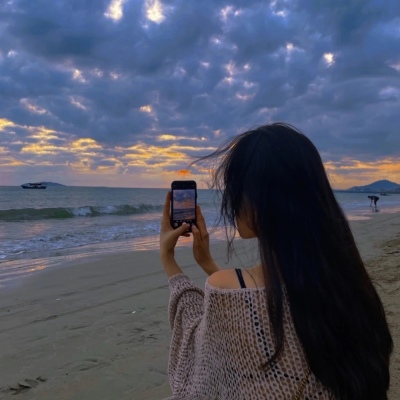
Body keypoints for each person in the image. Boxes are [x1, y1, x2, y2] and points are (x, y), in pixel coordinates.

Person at [159, 122, 393, 399]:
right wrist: (207, 262)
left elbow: (194, 368)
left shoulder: (225, 288)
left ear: (257, 201)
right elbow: (264, 301)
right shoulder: (350, 289)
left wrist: (169, 260)